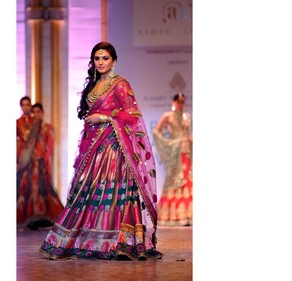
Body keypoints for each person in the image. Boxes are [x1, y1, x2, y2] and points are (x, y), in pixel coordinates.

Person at [39, 42, 163, 260]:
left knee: (112, 192)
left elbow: (132, 115)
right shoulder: (94, 85)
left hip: (114, 149)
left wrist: (104, 117)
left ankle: (120, 241)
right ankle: (85, 238)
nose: (101, 62)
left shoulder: (121, 84)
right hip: (93, 149)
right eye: (97, 58)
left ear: (114, 60)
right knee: (87, 192)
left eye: (105, 58)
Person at [17, 102, 64, 230]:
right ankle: (33, 218)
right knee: (30, 189)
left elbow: (49, 147)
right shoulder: (30, 127)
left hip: (41, 162)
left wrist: (46, 162)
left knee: (43, 190)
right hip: (29, 163)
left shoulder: (47, 127)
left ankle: (45, 217)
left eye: (39, 112)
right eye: (34, 112)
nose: (36, 114)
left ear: (43, 112)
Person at [153, 93, 193, 226]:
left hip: (187, 152)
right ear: (174, 102)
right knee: (175, 179)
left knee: (188, 179)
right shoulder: (168, 116)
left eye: (183, 102)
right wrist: (169, 143)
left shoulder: (187, 117)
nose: (181, 104)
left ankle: (188, 214)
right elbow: (156, 131)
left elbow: (187, 133)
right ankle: (172, 215)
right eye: (178, 102)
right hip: (176, 152)